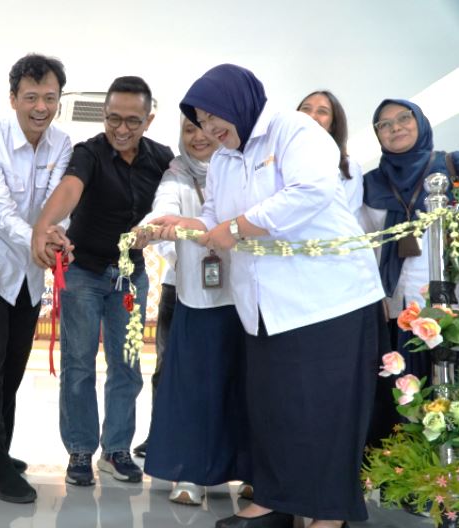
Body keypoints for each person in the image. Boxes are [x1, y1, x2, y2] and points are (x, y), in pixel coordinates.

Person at [153, 64, 384, 528]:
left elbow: (310, 191)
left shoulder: (292, 131)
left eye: (213, 116)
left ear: (240, 101)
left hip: (327, 300)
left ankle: (327, 514)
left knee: (324, 411)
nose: (209, 128)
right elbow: (217, 218)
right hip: (263, 306)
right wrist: (189, 226)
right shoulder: (223, 159)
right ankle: (274, 500)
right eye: (199, 120)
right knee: (273, 408)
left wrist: (234, 228)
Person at [31, 76, 174, 487]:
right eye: (113, 119)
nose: (122, 129)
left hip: (130, 277)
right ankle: (80, 450)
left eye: (132, 120)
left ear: (148, 119)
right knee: (78, 364)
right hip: (83, 272)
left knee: (127, 366)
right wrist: (45, 224)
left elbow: (182, 191)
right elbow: (70, 189)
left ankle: (115, 450)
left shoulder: (162, 158)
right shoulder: (89, 152)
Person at [0, 54, 72, 503]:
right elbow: (1, 210)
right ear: (13, 99)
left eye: (50, 98)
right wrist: (40, 238)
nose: (41, 107)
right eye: (31, 97)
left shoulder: (63, 145)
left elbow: (57, 201)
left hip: (31, 271)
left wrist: (56, 236)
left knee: (13, 367)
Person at [137, 116, 251, 506]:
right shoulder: (175, 175)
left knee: (244, 386)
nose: (198, 137)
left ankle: (250, 473)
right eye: (189, 130)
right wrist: (152, 231)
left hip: (244, 299)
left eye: (207, 128)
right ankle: (189, 474)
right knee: (190, 385)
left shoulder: (244, 169)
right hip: (192, 297)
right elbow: (162, 211)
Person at [362, 99, 459, 442]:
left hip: (450, 303)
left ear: (420, 122)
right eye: (384, 124)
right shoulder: (370, 184)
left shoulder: (451, 166)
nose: (395, 128)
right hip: (398, 308)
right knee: (406, 394)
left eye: (404, 118)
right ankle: (410, 477)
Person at [297, 90, 364, 218]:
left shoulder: (349, 167)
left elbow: (348, 215)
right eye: (306, 109)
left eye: (322, 112)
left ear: (333, 125)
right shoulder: (278, 160)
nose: (311, 116)